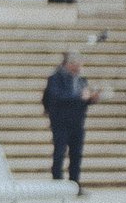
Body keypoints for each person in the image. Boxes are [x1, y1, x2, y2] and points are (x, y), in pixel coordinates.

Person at [42, 52, 100, 187]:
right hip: (61, 122)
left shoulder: (81, 80)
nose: (79, 67)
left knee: (76, 154)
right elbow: (57, 97)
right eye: (77, 64)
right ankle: (57, 184)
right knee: (59, 153)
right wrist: (79, 97)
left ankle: (75, 184)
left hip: (78, 122)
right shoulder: (56, 78)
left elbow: (83, 100)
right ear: (69, 64)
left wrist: (91, 99)